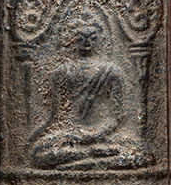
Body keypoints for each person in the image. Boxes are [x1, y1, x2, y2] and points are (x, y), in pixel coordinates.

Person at [30, 15, 124, 169]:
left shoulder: (111, 71)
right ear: (71, 39)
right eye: (81, 37)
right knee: (38, 154)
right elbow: (55, 116)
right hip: (70, 135)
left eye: (92, 38)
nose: (87, 42)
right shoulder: (61, 72)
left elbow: (116, 117)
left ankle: (83, 159)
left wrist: (94, 134)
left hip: (100, 136)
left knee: (131, 152)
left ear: (100, 39)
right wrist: (64, 134)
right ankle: (91, 156)